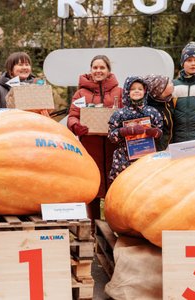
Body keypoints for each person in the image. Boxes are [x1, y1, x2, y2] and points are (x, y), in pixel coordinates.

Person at [67, 55, 123, 221]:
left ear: (108, 71)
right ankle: (92, 229)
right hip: (90, 148)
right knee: (91, 189)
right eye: (95, 68)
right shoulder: (81, 94)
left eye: (102, 68)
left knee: (115, 191)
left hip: (114, 150)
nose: (98, 71)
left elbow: (127, 114)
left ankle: (114, 226)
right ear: (90, 70)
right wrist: (76, 126)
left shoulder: (119, 93)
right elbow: (73, 116)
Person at [108, 76, 163, 181]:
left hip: (147, 157)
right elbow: (111, 136)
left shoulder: (153, 112)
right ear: (127, 92)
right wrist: (125, 131)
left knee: (145, 183)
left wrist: (155, 133)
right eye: (133, 89)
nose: (136, 91)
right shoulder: (120, 113)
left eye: (140, 89)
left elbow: (160, 132)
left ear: (145, 91)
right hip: (124, 158)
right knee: (124, 184)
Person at [143, 74, 174, 151]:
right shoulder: (152, 110)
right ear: (160, 90)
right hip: (158, 150)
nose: (172, 83)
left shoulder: (167, 102)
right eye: (169, 83)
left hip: (168, 147)